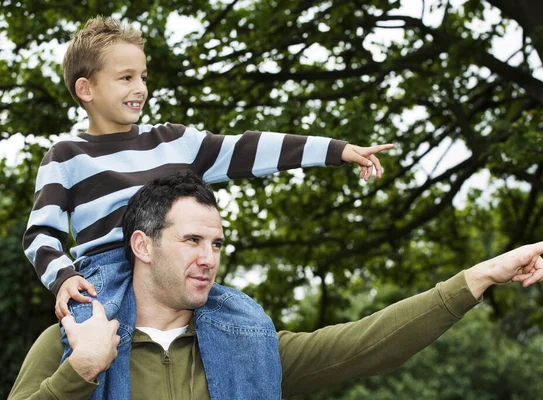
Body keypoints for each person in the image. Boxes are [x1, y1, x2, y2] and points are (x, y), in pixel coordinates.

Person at [21, 16, 393, 399]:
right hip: (105, 278)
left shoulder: (173, 141)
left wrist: (336, 150)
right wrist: (63, 277)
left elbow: (248, 148)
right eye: (126, 78)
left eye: (144, 77)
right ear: (86, 88)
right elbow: (40, 233)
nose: (140, 88)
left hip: (172, 268)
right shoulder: (66, 157)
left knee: (249, 321)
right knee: (87, 339)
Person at [10, 171, 543, 400]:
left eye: (217, 244)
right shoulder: (68, 345)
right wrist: (77, 375)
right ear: (142, 246)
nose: (209, 258)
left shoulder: (248, 344)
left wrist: (477, 278)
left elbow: (364, 344)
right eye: (192, 242)